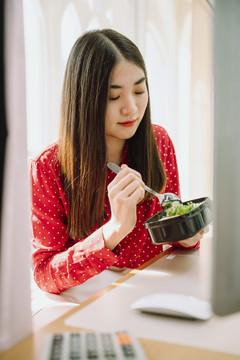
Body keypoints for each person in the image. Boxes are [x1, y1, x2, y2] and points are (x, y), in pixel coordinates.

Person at [31, 29, 204, 295]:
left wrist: (188, 236)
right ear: (84, 100)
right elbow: (44, 274)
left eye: (139, 90)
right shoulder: (47, 167)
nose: (131, 108)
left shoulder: (158, 142)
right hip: (90, 300)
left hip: (155, 292)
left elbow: (173, 232)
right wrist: (113, 232)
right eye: (114, 97)